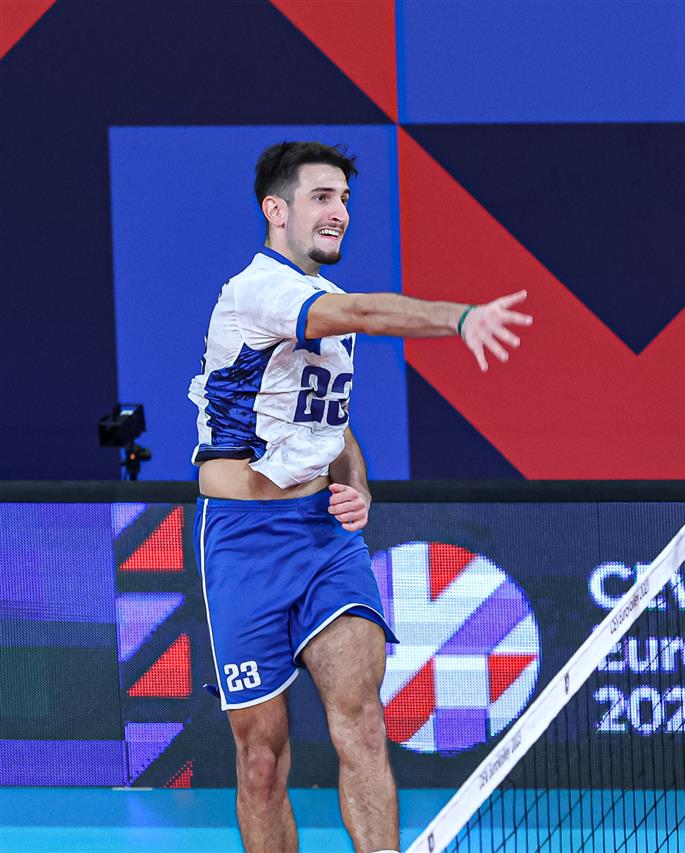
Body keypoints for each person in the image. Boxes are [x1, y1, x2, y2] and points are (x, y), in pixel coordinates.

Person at [188, 141, 532, 853]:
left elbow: (332, 425)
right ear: (275, 209)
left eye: (345, 199)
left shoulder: (325, 311)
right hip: (244, 542)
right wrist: (459, 318)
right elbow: (371, 313)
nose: (339, 212)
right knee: (261, 758)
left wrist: (359, 484)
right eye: (322, 197)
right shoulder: (259, 291)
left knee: (365, 726)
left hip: (324, 538)